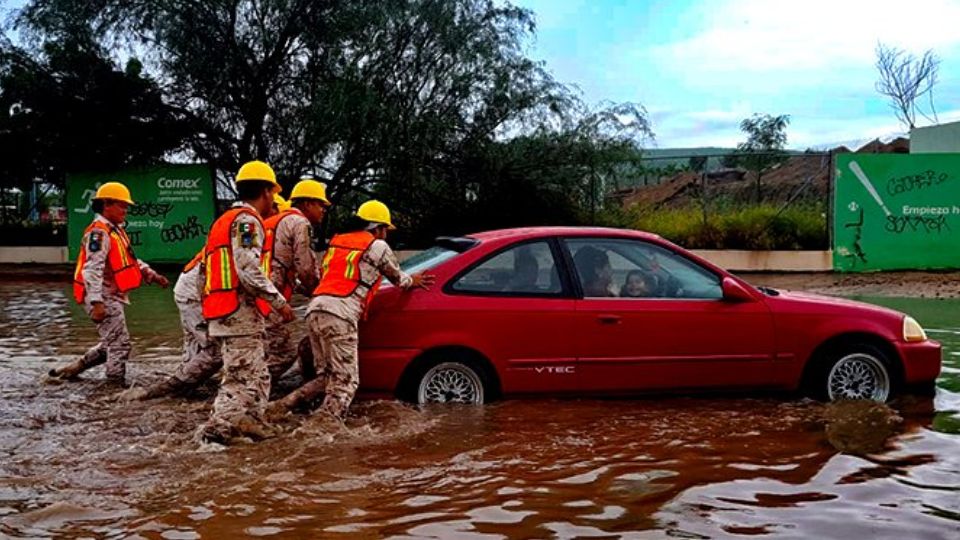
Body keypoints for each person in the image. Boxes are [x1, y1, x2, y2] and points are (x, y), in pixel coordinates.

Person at [268, 200, 434, 420]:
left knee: (326, 377)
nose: (386, 236)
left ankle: (281, 407)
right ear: (378, 228)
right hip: (340, 314)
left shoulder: (337, 242)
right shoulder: (376, 246)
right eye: (385, 230)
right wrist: (413, 279)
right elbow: (398, 278)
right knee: (347, 382)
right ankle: (323, 425)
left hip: (314, 309)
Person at [196, 160, 295, 444]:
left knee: (257, 372)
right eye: (273, 193)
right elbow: (249, 270)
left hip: (227, 310)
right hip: (236, 312)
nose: (274, 199)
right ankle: (215, 433)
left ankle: (251, 422)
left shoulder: (225, 220)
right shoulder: (247, 221)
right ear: (266, 191)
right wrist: (279, 302)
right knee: (241, 378)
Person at [49, 182, 169, 386]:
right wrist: (96, 303)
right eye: (122, 205)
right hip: (101, 296)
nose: (126, 210)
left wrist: (150, 274)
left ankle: (72, 370)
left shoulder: (115, 231)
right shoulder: (99, 233)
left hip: (110, 295)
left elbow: (129, 260)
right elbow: (91, 269)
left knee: (110, 345)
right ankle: (113, 389)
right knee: (120, 345)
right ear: (106, 204)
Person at [120, 249, 223, 400]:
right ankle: (168, 389)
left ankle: (186, 390)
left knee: (197, 348)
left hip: (190, 290)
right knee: (216, 350)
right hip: (194, 294)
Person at [258, 177, 330, 381]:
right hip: (271, 298)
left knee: (260, 350)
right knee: (284, 354)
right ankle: (251, 391)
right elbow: (305, 267)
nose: (323, 210)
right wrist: (318, 292)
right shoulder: (300, 223)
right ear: (307, 203)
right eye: (320, 205)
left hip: (259, 295)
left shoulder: (272, 221)